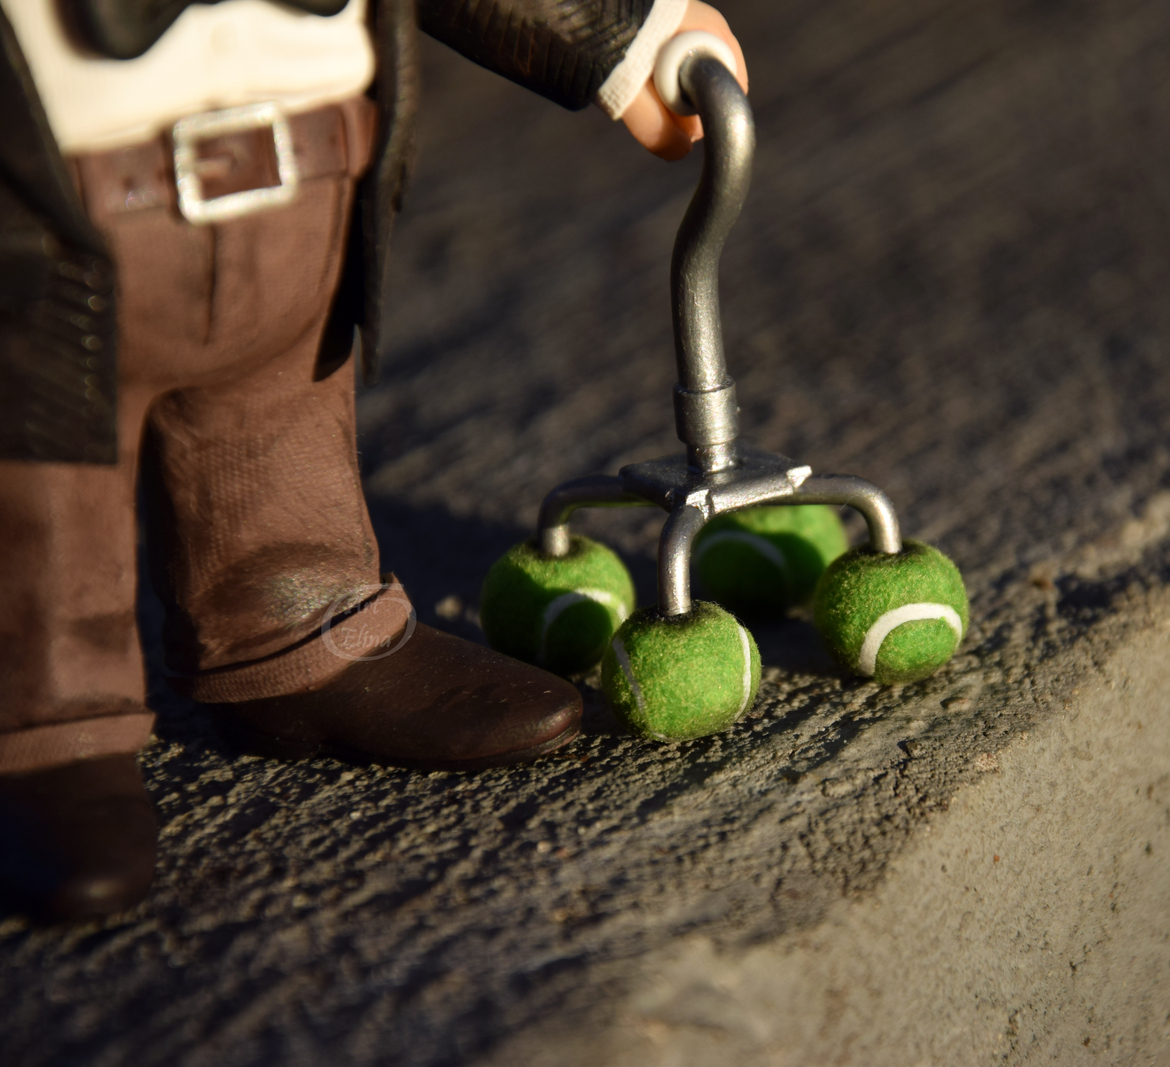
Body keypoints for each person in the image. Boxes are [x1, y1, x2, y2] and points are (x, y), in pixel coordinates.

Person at [0, 0, 746, 920]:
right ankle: (46, 719)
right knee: (42, 499)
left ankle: (303, 622)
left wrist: (628, 37)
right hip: (46, 245)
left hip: (309, 203)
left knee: (279, 432)